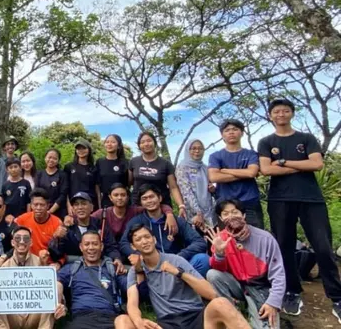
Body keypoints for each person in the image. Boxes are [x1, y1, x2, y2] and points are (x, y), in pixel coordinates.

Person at [257, 98, 341, 320]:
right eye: (277, 111)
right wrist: (299, 165)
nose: (281, 114)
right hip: (280, 200)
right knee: (284, 247)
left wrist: (283, 163)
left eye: (285, 111)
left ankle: (337, 296)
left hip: (311, 199)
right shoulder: (266, 141)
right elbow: (266, 169)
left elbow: (316, 164)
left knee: (323, 247)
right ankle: (292, 291)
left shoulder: (306, 138)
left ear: (291, 114)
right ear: (270, 116)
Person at [126, 224, 251, 329]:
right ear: (133, 246)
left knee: (221, 303)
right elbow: (132, 303)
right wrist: (139, 321)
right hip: (167, 322)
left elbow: (211, 293)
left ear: (154, 239)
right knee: (124, 320)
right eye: (138, 239)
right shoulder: (136, 270)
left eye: (147, 237)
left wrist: (179, 273)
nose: (144, 241)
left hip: (195, 315)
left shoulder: (176, 261)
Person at [206, 200, 285, 329]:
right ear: (221, 218)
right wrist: (219, 253)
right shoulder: (220, 239)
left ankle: (256, 309)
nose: (231, 216)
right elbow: (220, 270)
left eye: (235, 212)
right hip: (239, 286)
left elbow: (278, 274)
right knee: (212, 274)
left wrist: (273, 302)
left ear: (243, 215)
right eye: (226, 214)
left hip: (262, 288)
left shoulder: (265, 238)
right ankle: (231, 311)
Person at [0, 226, 66, 329]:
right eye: (18, 238)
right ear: (12, 243)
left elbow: (53, 297)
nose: (22, 242)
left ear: (31, 242)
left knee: (57, 285)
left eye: (26, 239)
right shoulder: (3, 268)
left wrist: (62, 307)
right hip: (11, 317)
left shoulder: (40, 263)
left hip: (34, 315)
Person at [120, 184, 209, 277]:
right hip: (151, 267)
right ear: (141, 203)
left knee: (203, 259)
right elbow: (123, 243)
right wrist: (138, 254)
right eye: (145, 198)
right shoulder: (136, 221)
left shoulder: (175, 220)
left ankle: (186, 286)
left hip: (176, 265)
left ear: (160, 198)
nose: (149, 201)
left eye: (151, 197)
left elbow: (199, 242)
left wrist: (179, 256)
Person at [57, 231, 133, 329]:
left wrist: (138, 269)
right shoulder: (71, 268)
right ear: (81, 247)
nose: (91, 248)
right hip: (82, 318)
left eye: (95, 244)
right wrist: (59, 302)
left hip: (109, 317)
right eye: (87, 244)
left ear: (101, 246)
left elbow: (131, 287)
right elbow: (56, 283)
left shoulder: (112, 268)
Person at [49, 192, 124, 274]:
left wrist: (116, 258)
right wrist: (56, 238)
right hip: (73, 268)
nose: (80, 207)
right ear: (73, 209)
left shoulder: (100, 225)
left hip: (98, 267)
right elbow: (56, 255)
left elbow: (111, 247)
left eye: (84, 204)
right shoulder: (67, 226)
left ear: (92, 207)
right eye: (76, 205)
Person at [208, 119, 263, 229]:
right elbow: (214, 177)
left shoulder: (251, 154)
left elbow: (251, 173)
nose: (231, 132)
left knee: (256, 237)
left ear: (242, 133)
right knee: (229, 240)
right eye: (227, 130)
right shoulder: (216, 156)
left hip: (250, 202)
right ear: (222, 135)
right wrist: (244, 173)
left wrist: (225, 170)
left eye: (235, 129)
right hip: (225, 205)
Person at [92, 183, 177, 243]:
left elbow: (154, 206)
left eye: (123, 195)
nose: (120, 198)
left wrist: (169, 214)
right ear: (110, 197)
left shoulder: (135, 211)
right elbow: (86, 218)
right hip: (109, 248)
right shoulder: (103, 213)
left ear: (128, 197)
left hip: (130, 246)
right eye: (116, 195)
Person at [129, 132, 186, 215]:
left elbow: (173, 187)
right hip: (138, 205)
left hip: (162, 206)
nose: (146, 144)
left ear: (155, 143)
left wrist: (181, 205)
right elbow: (129, 183)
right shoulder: (133, 162)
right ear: (139, 146)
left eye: (149, 141)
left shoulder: (166, 164)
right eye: (143, 142)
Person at [8, 188, 63, 267]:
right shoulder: (22, 220)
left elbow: (64, 251)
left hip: (49, 264)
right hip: (28, 262)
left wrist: (59, 263)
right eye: (35, 204)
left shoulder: (57, 223)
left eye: (42, 205)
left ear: (48, 206)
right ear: (31, 205)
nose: (38, 208)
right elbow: (11, 239)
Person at [176, 139, 217, 231]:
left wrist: (213, 189)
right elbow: (186, 192)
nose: (197, 151)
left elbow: (210, 186)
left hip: (210, 213)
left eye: (200, 148)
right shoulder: (182, 167)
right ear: (188, 150)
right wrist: (198, 212)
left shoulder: (204, 167)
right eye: (193, 148)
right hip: (195, 215)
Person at [95, 134, 129, 209]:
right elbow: (97, 185)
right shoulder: (99, 162)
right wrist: (99, 203)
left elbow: (129, 183)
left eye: (113, 142)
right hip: (105, 201)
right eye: (107, 142)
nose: (109, 144)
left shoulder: (125, 163)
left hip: (121, 200)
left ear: (119, 146)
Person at [64, 140, 97, 213]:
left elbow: (97, 188)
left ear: (89, 150)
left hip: (89, 204)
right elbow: (65, 188)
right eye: (78, 149)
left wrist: (99, 206)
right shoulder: (69, 167)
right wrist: (68, 205)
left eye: (84, 148)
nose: (81, 151)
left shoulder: (93, 168)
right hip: (74, 204)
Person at [35, 148, 69, 219]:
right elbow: (36, 192)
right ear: (45, 158)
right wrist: (43, 209)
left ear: (58, 161)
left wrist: (51, 211)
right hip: (41, 210)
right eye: (49, 157)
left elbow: (63, 195)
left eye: (54, 158)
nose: (51, 160)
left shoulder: (62, 175)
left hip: (59, 211)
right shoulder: (39, 174)